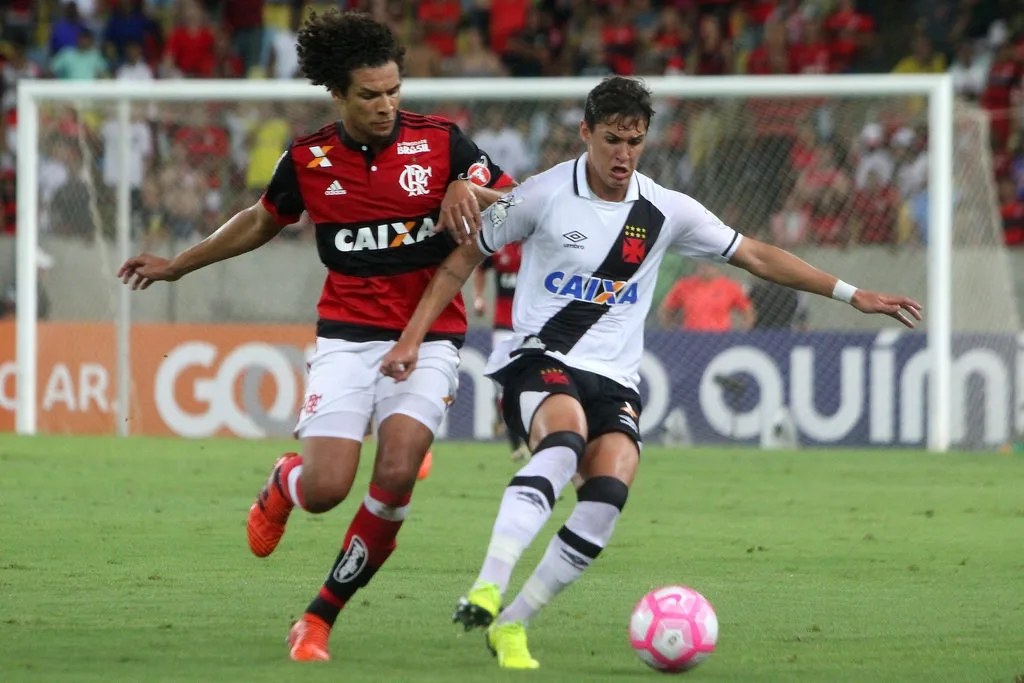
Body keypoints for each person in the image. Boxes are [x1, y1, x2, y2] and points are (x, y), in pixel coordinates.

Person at [379, 76, 921, 670]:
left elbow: (758, 255)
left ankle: (513, 624)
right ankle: (487, 586)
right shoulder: (542, 194)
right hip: (541, 360)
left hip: (613, 379)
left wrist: (851, 293)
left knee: (608, 494)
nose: (623, 154)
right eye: (611, 139)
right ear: (586, 133)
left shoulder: (664, 209)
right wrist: (411, 338)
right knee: (563, 444)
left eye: (635, 141)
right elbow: (461, 260)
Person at [117, 9, 514, 662]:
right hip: (347, 338)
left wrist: (471, 187)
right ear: (338, 93)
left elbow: (519, 198)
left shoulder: (443, 144)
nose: (385, 105)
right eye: (369, 94)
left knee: (396, 470)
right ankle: (284, 484)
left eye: (393, 90)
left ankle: (318, 617)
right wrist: (177, 265)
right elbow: (257, 221)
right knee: (327, 488)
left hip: (431, 339)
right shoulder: (309, 159)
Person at [472, 241, 531, 461]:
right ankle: (516, 443)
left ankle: (508, 421)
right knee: (505, 383)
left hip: (531, 326)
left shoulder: (538, 244)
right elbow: (481, 268)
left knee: (527, 381)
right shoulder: (500, 249)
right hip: (503, 326)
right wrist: (478, 298)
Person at [658, 261, 754, 331]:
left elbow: (748, 311)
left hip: (720, 336)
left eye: (709, 265)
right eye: (702, 265)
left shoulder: (729, 286)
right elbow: (666, 309)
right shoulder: (684, 285)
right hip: (691, 336)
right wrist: (671, 330)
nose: (705, 268)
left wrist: (742, 334)